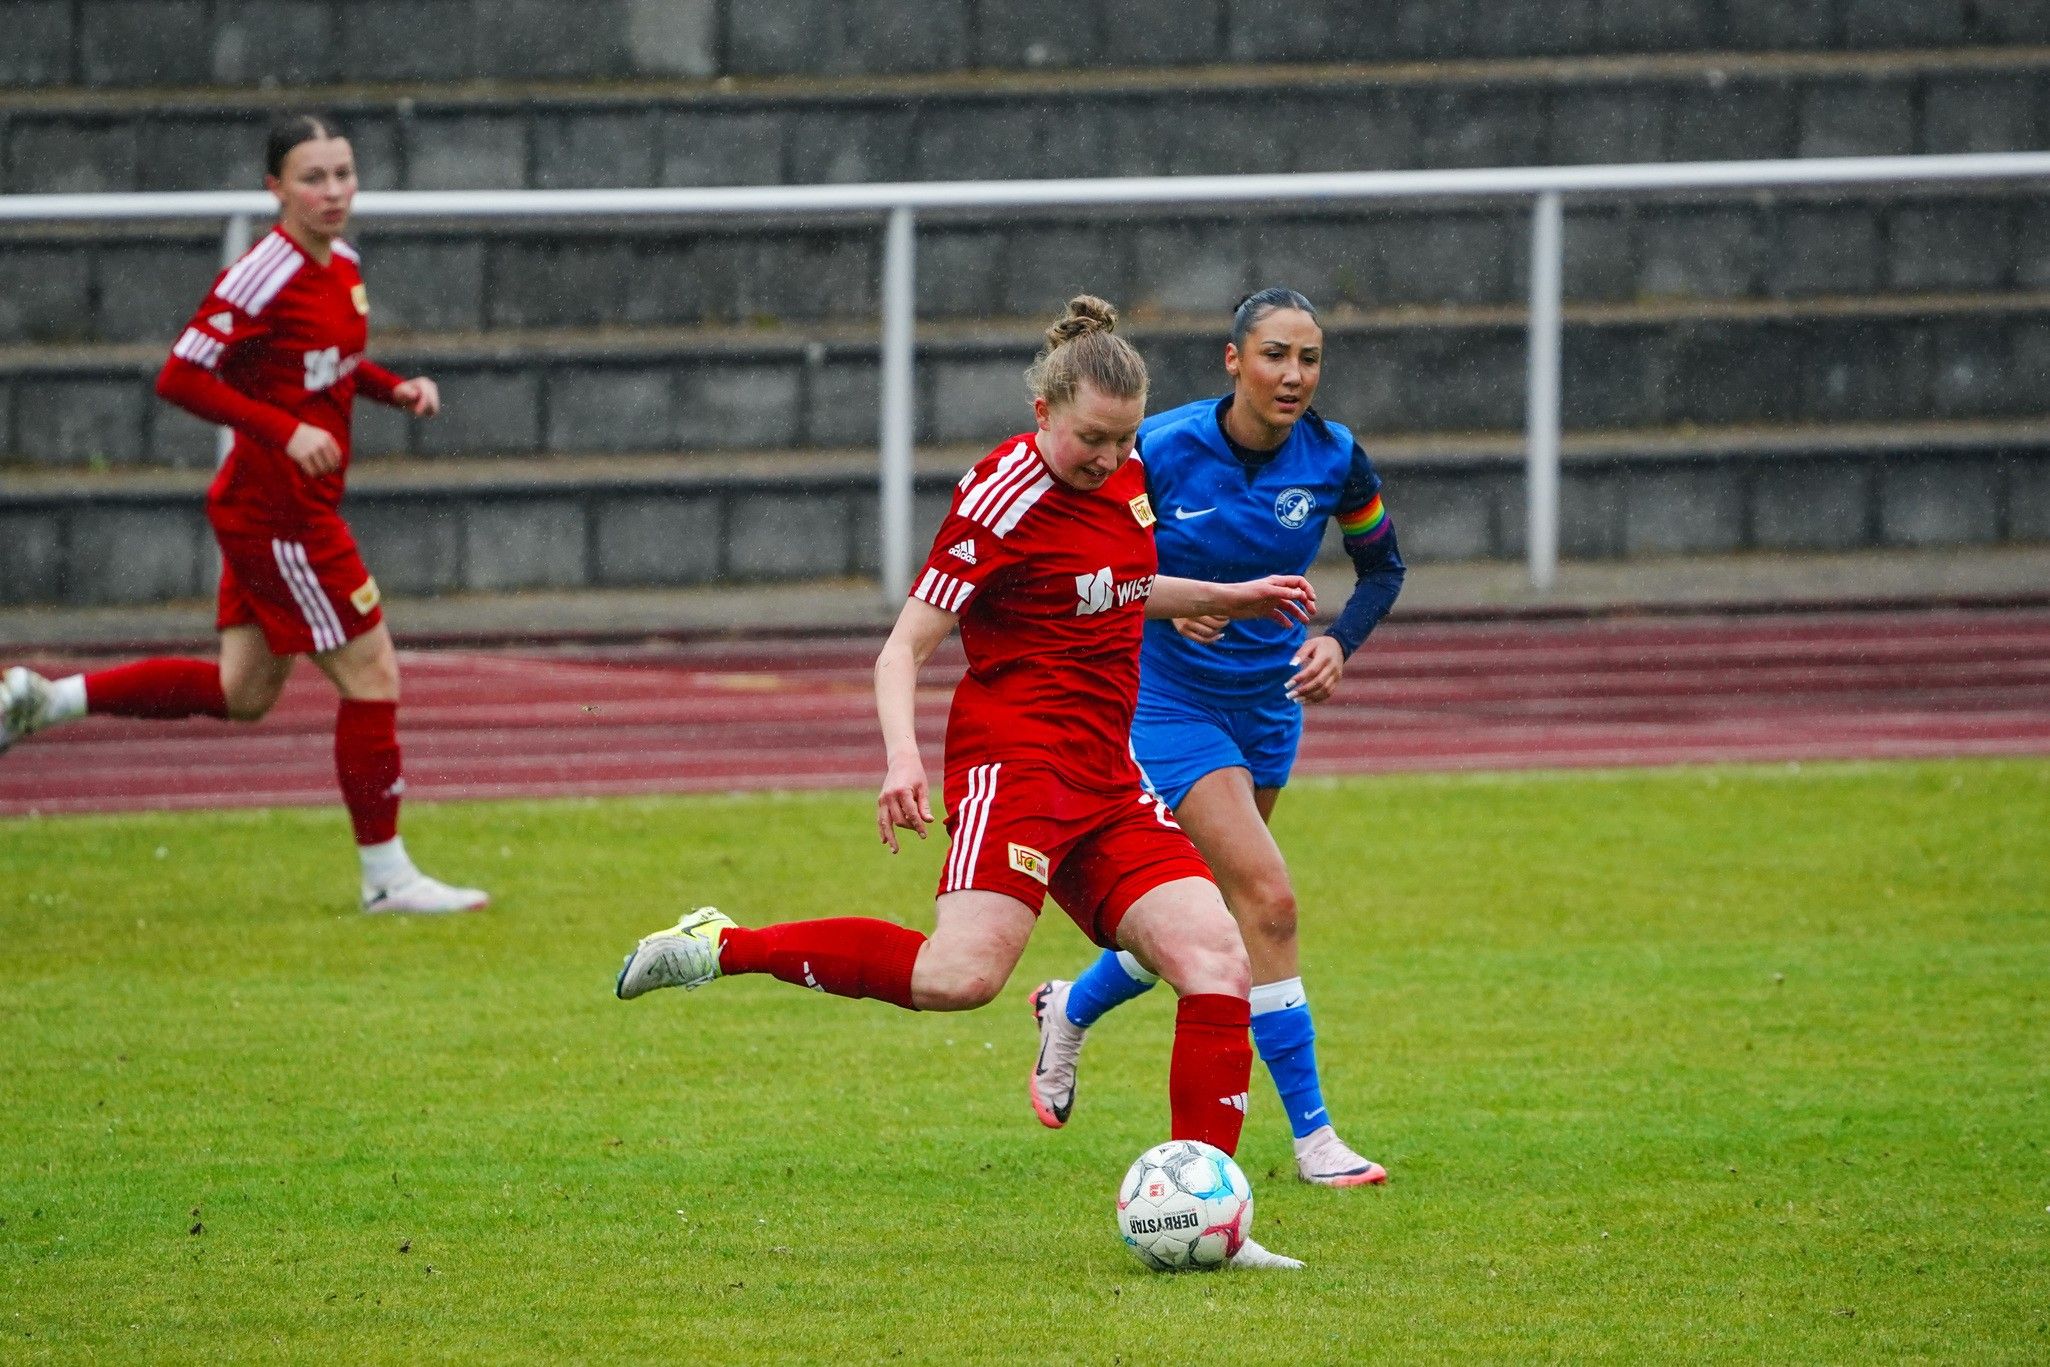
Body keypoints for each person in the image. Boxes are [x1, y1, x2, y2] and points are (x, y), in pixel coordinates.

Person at [615, 296, 1313, 1268]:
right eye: (1088, 440)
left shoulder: (1132, 473)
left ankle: (1212, 1221)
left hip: (1107, 774)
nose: (1107, 459)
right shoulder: (998, 496)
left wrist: (1222, 597)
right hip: (1012, 765)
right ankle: (721, 944)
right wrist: (902, 756)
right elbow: (903, 646)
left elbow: (1113, 583)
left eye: (1120, 440)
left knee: (1216, 960)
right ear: (1041, 414)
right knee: (960, 978)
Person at [0, 113, 486, 915]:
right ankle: (387, 877)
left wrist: (392, 386)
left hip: (280, 507)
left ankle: (45, 700)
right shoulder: (266, 270)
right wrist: (284, 429)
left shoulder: (344, 266)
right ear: (275, 188)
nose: (333, 192)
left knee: (244, 691)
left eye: (343, 174)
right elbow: (181, 376)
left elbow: (329, 361)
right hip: (280, 513)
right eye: (312, 178)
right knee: (373, 676)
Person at [1027, 288, 1406, 1188]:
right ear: (1233, 360)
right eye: (1275, 355)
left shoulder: (1336, 457)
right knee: (1269, 901)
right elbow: (1100, 547)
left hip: (1269, 705)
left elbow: (1384, 566)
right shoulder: (1161, 446)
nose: (1294, 375)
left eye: (1309, 359)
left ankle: (1068, 1004)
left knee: (1217, 918)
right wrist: (1172, 604)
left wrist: (1335, 641)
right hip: (1166, 704)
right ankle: (1315, 1139)